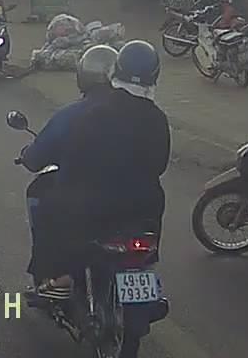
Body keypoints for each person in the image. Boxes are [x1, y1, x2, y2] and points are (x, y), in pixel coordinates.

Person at [25, 40, 171, 300]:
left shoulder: (89, 113)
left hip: (95, 205)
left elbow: (75, 159)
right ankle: (146, 276)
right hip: (145, 206)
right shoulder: (157, 117)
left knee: (51, 209)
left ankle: (62, 277)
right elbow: (159, 165)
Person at [21, 45, 119, 285]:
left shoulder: (71, 115)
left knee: (43, 203)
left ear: (83, 77)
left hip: (85, 203)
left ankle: (53, 276)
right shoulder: (140, 113)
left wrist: (27, 155)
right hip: (136, 203)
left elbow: (36, 158)